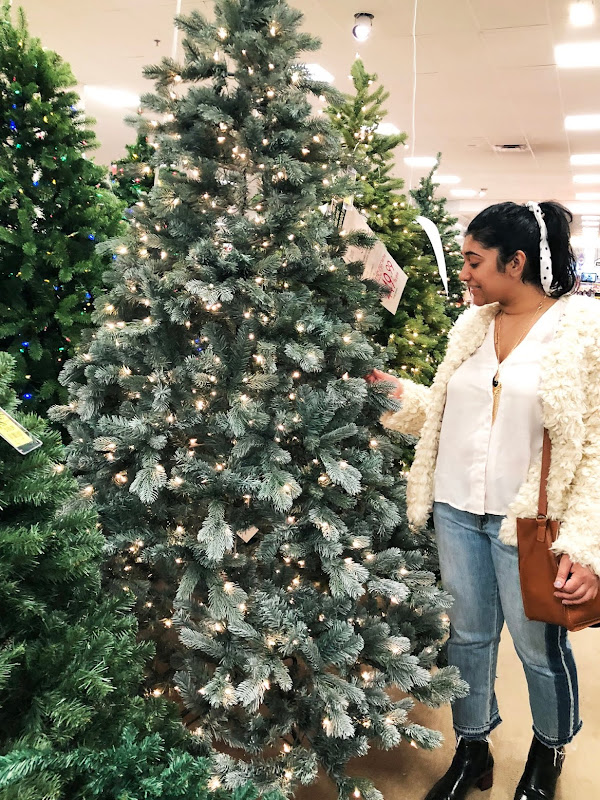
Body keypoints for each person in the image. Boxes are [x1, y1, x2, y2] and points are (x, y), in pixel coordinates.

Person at [368, 201, 600, 800]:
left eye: (474, 261)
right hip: (455, 507)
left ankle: (548, 754)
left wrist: (585, 543)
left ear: (515, 261)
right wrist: (391, 394)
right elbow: (445, 415)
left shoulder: (581, 332)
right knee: (467, 638)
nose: (463, 273)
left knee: (538, 647)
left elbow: (595, 447)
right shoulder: (470, 327)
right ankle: (472, 750)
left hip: (527, 521)